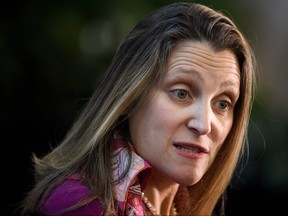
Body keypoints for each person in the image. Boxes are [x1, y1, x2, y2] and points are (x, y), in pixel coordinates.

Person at [22, 2, 257, 215]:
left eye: (222, 104)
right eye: (182, 93)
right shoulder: (78, 204)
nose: (204, 124)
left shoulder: (177, 208)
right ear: (129, 97)